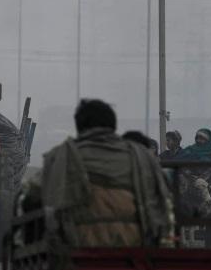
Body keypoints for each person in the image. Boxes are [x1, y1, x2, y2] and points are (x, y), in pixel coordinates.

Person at [21, 100, 174, 248]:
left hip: (75, 246)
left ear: (79, 127)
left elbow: (32, 196)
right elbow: (163, 199)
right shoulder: (142, 156)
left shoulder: (62, 155)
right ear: (113, 125)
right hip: (137, 245)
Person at [179, 128, 211, 247]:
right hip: (190, 181)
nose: (199, 141)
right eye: (198, 138)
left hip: (210, 180)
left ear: (208, 140)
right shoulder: (189, 151)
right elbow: (179, 164)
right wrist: (188, 173)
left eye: (202, 138)